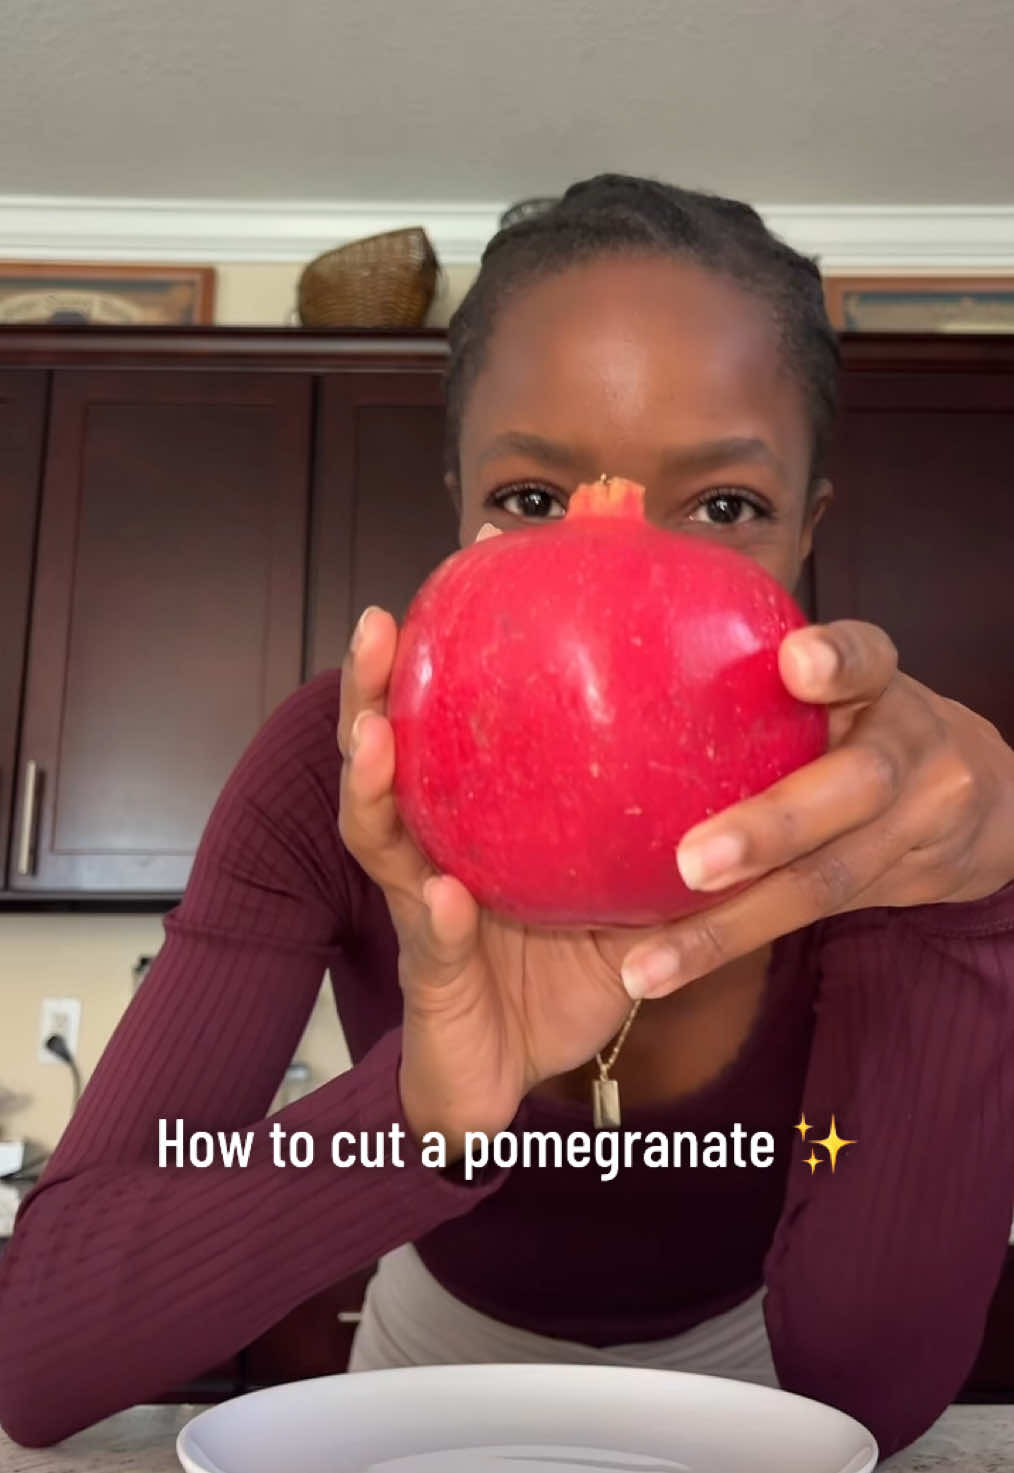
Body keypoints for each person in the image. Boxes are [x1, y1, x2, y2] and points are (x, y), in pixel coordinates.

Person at [1, 173, 1012, 1455]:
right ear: (458, 508)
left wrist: (971, 912)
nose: (613, 578)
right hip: (429, 1340)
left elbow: (865, 1397)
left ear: (808, 533)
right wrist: (420, 1120)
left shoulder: (881, 810)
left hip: (757, 1358)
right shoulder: (336, 768)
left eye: (725, 508)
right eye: (533, 501)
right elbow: (37, 1356)